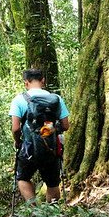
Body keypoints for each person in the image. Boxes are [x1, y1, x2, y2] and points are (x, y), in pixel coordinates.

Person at [9, 68, 70, 201]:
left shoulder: (19, 100)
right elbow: (65, 125)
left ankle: (34, 211)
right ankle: (51, 215)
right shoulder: (56, 99)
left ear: (26, 82)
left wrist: (17, 141)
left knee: (23, 178)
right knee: (52, 183)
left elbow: (15, 128)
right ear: (43, 81)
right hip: (51, 147)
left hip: (29, 148)